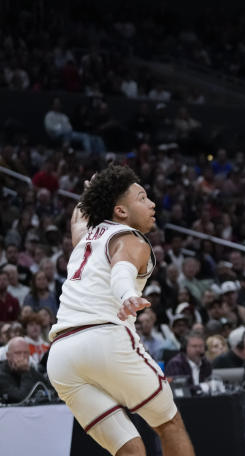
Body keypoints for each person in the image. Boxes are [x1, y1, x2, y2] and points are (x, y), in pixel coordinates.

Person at [46, 165, 196, 456]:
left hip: (62, 356)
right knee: (169, 423)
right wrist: (127, 294)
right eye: (142, 198)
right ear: (121, 212)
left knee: (129, 449)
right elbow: (121, 270)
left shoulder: (84, 237)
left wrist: (89, 195)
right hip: (104, 339)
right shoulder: (130, 238)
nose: (152, 204)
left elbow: (78, 218)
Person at [0, 336, 47, 403]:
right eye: (18, 353)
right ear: (8, 356)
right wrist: (25, 372)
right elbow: (21, 399)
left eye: (26, 353)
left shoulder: (31, 370)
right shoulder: (1, 374)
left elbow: (51, 390)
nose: (23, 357)